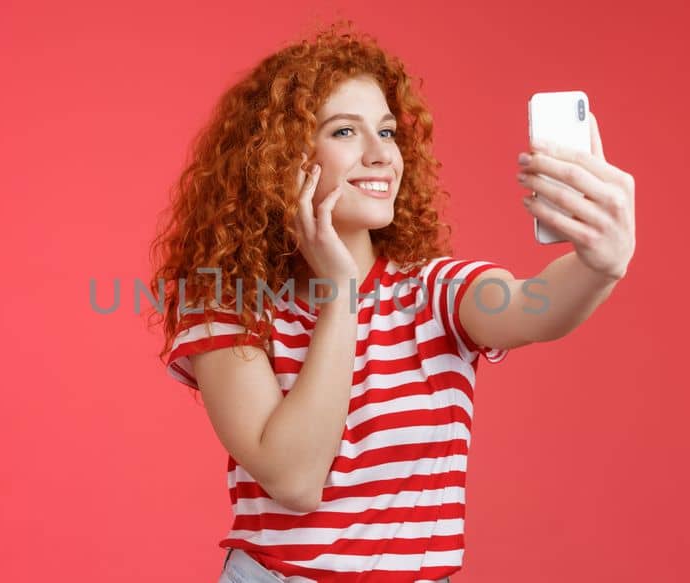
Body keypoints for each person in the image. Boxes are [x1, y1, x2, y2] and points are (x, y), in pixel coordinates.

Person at [146, 19, 636, 583]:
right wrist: (342, 297)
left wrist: (601, 265)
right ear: (279, 157)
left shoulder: (435, 292)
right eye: (345, 132)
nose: (382, 155)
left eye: (388, 131)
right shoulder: (226, 306)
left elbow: (535, 306)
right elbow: (295, 479)